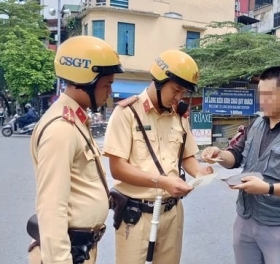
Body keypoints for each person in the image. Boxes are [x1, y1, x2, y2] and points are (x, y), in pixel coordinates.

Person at [201, 66, 280, 264]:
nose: (263, 100)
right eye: (261, 94)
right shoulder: (256, 125)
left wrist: (268, 188)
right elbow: (235, 155)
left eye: (269, 94)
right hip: (245, 220)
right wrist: (219, 155)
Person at [102, 49, 213, 264]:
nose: (179, 97)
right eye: (176, 90)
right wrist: (162, 181)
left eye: (184, 93)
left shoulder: (180, 117)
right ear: (160, 81)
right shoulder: (127, 113)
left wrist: (200, 172)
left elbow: (186, 156)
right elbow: (117, 168)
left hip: (172, 212)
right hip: (135, 213)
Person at [28, 35, 125, 264]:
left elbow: (78, 182)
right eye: (107, 83)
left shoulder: (76, 120)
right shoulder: (61, 129)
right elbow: (51, 207)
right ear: (86, 81)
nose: (110, 91)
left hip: (81, 248)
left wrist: (106, 198)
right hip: (66, 253)